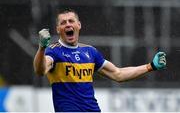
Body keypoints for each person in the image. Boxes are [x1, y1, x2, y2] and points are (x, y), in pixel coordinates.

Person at [33, 9, 166, 112]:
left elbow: (118, 74)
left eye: (71, 21)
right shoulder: (53, 51)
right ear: (58, 29)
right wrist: (41, 48)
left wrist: (150, 66)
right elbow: (40, 70)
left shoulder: (90, 52)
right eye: (63, 22)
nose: (68, 24)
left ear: (79, 25)